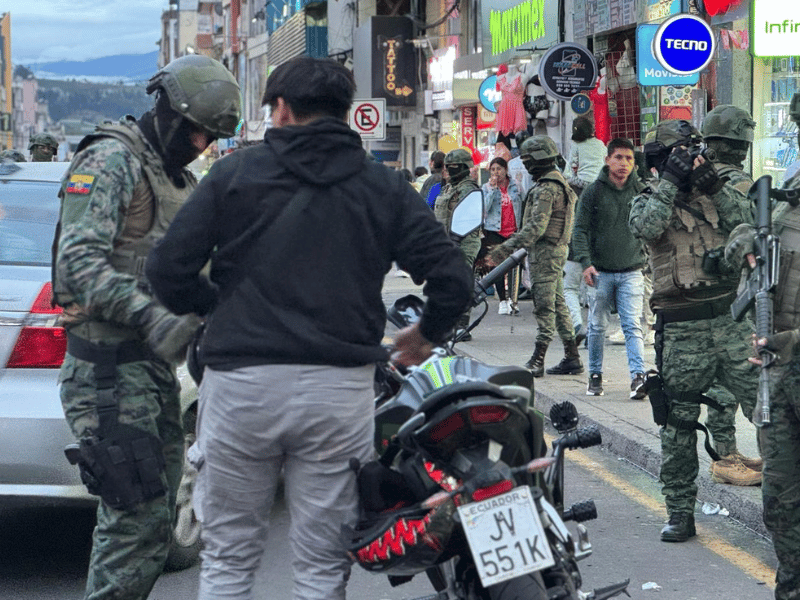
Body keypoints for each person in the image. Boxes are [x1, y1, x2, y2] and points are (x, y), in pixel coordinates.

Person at [145, 56, 472, 600]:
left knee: (227, 561)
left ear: (281, 109)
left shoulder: (233, 175)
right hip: (338, 390)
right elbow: (453, 278)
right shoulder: (381, 186)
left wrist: (218, 307)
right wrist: (424, 336)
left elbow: (165, 270)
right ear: (343, 114)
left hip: (240, 384)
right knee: (322, 567)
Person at [53, 54, 242, 600]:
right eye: (199, 133)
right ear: (168, 112)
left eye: (211, 139)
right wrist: (154, 317)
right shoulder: (112, 160)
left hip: (153, 373)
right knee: (132, 519)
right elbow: (78, 265)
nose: (202, 145)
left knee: (157, 523)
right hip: (107, 374)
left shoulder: (174, 176)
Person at [630, 119, 758, 543]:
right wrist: (669, 181)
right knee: (679, 423)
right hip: (682, 328)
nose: (686, 163)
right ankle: (680, 512)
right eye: (676, 156)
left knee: (771, 411)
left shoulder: (720, 190)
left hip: (731, 320)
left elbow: (753, 226)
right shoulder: (649, 197)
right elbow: (647, 228)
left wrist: (714, 187)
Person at [726, 89, 800, 600]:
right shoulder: (790, 193)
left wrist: (789, 340)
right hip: (779, 376)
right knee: (781, 498)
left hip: (787, 352)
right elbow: (746, 244)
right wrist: (744, 241)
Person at [700, 104, 762, 487]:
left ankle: (726, 453)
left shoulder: (692, 179)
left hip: (700, 294)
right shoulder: (738, 184)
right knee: (754, 378)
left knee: (723, 378)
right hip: (734, 293)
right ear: (741, 144)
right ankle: (775, 456)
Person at [488, 135, 582, 377]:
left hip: (545, 253)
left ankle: (538, 358)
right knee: (558, 304)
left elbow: (535, 228)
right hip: (555, 251)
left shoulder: (547, 190)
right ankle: (572, 356)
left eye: (529, 161)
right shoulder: (559, 184)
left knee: (544, 306)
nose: (527, 166)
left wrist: (503, 249)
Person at [572, 137, 647, 398]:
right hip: (600, 272)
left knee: (632, 325)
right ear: (607, 160)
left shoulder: (641, 191)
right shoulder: (594, 192)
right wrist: (585, 263)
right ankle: (595, 375)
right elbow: (579, 230)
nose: (623, 163)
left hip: (632, 270)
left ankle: (638, 377)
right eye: (618, 157)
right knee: (597, 326)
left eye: (629, 159)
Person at [562, 117, 607, 344]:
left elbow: (570, 172)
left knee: (568, 286)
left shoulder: (576, 146)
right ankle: (594, 330)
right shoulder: (600, 145)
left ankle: (578, 324)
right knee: (593, 286)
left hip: (575, 238)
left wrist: (570, 181)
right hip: (597, 237)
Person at [434, 147, 482, 339]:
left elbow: (468, 219)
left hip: (464, 242)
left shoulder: (469, 190)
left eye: (454, 167)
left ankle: (462, 325)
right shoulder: (449, 187)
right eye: (448, 166)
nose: (449, 170)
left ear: (464, 167)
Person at [479, 156, 524, 314]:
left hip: (513, 231)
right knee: (497, 266)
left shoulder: (516, 186)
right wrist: (491, 189)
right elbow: (484, 209)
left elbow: (523, 204)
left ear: (506, 170)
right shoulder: (486, 187)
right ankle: (503, 301)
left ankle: (513, 299)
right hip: (494, 231)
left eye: (499, 169)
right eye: (493, 169)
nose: (496, 172)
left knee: (514, 266)